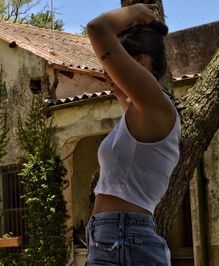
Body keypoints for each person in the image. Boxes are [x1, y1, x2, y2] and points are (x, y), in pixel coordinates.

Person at [86, 2, 181, 265]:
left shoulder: (156, 106)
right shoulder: (138, 113)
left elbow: (97, 29)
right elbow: (123, 96)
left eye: (116, 65)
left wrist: (136, 11)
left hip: (125, 238)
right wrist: (116, 85)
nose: (109, 71)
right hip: (110, 237)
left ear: (138, 61)